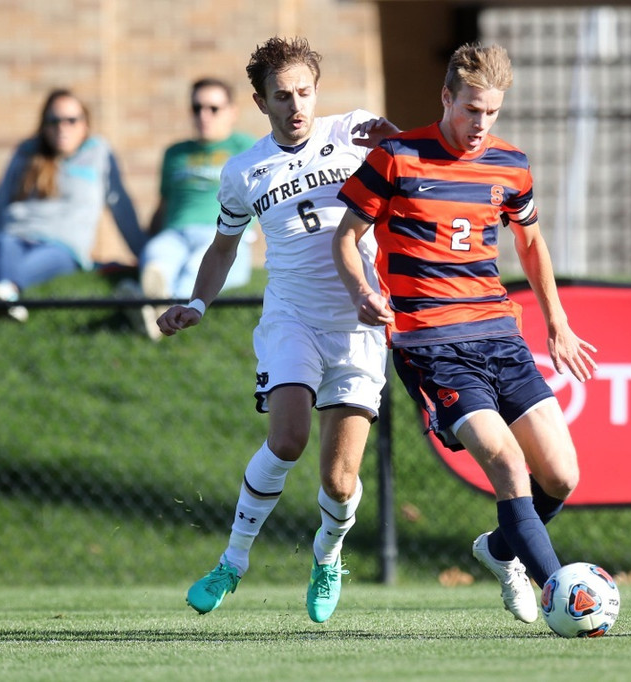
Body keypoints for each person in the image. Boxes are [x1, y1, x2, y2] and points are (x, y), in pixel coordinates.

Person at [332, 43, 597, 624]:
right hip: (432, 347)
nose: (481, 124)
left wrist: (558, 322)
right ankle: (564, 592)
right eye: (472, 109)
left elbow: (529, 241)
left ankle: (500, 549)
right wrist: (363, 294)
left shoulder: (511, 164)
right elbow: (345, 237)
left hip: (500, 337)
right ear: (447, 97)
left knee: (563, 475)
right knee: (505, 462)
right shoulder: (396, 157)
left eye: (492, 112)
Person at [156, 36, 399, 623]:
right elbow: (223, 247)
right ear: (261, 103)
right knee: (287, 439)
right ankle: (233, 562)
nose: (297, 106)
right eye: (282, 96)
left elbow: (416, 159)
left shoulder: (356, 132)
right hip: (292, 318)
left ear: (317, 91)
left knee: (340, 483)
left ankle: (328, 554)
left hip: (359, 324)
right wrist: (197, 302)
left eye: (305, 92)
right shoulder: (243, 171)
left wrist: (397, 139)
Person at [0, 88, 144, 325]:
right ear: (44, 125)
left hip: (63, 247)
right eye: (54, 121)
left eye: (72, 120)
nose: (63, 127)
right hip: (14, 236)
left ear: (85, 123)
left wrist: (144, 253)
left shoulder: (98, 153)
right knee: (3, 244)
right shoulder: (26, 153)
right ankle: (2, 298)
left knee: (47, 257)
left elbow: (120, 206)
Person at [126, 78, 256, 340]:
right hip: (174, 232)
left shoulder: (246, 147)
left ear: (232, 112)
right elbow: (163, 204)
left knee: (196, 268)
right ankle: (153, 306)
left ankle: (151, 309)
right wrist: (148, 240)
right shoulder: (175, 153)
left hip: (221, 233)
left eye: (213, 108)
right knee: (156, 258)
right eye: (197, 108)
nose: (204, 115)